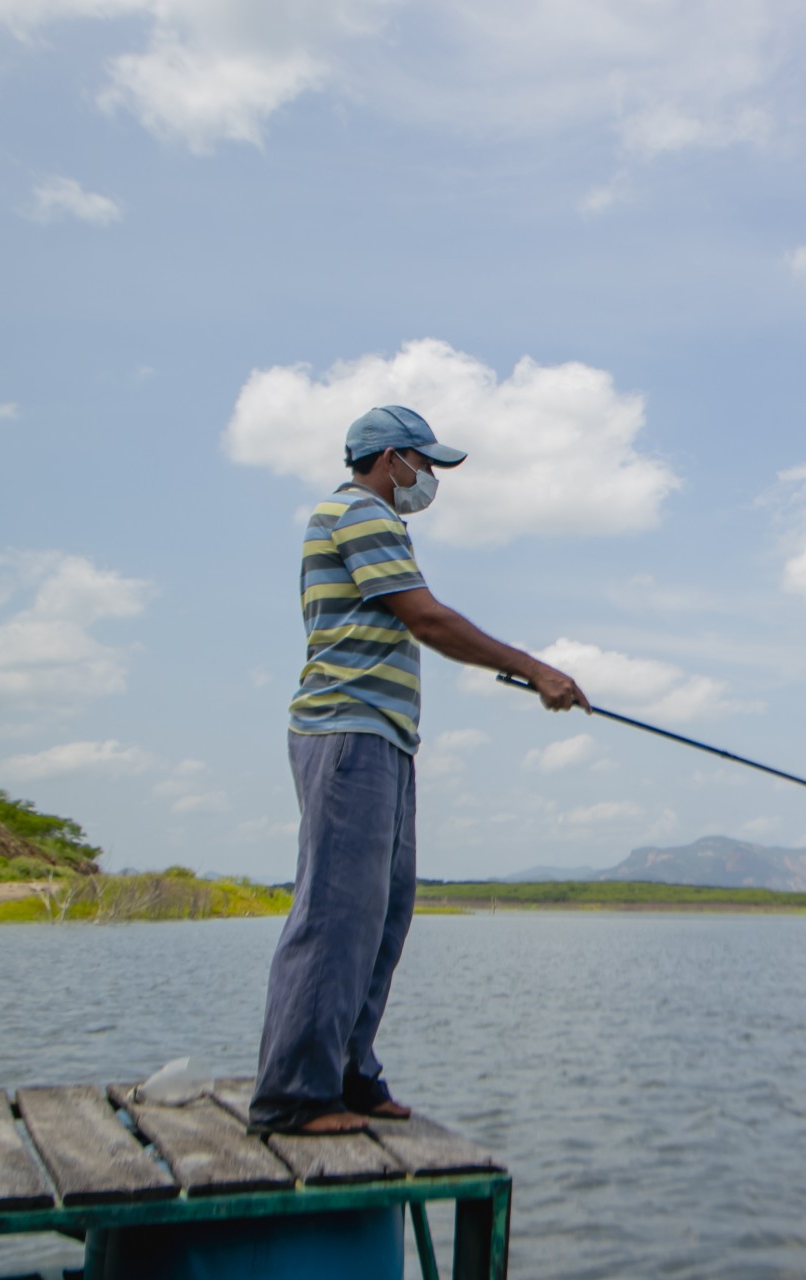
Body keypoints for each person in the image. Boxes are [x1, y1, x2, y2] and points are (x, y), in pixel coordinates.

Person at [249, 404, 589, 1135]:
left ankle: (346, 1072)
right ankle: (294, 1096)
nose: (429, 478)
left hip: (386, 739)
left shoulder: (382, 522)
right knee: (337, 915)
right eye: (423, 463)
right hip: (347, 732)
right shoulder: (359, 514)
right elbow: (427, 619)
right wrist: (535, 671)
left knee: (384, 915)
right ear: (388, 458)